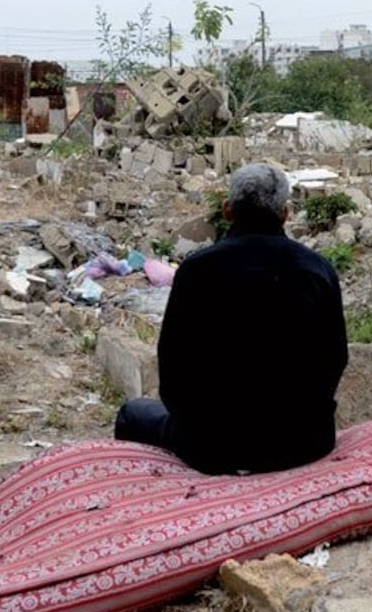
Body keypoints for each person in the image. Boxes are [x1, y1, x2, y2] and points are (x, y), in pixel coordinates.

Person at [115, 163, 349, 475]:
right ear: (285, 213)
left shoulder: (196, 271)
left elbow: (172, 372)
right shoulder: (318, 269)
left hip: (211, 447)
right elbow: (335, 359)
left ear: (227, 211)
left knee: (133, 413)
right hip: (303, 444)